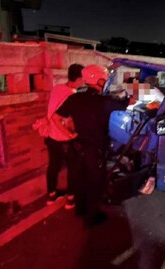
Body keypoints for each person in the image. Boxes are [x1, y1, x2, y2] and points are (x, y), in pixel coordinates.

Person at [54, 64, 130, 227]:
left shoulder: (75, 97)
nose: (107, 82)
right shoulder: (105, 101)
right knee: (95, 183)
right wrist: (126, 94)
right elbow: (124, 106)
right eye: (105, 79)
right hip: (94, 150)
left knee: (79, 181)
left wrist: (69, 134)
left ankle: (80, 210)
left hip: (76, 147)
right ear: (99, 79)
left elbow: (55, 117)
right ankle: (90, 218)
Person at [36, 64, 84, 207]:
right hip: (64, 139)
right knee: (73, 167)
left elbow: (50, 114)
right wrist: (69, 135)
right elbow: (57, 118)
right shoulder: (72, 95)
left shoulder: (57, 88)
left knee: (53, 166)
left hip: (51, 137)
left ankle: (51, 195)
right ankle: (70, 198)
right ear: (80, 78)